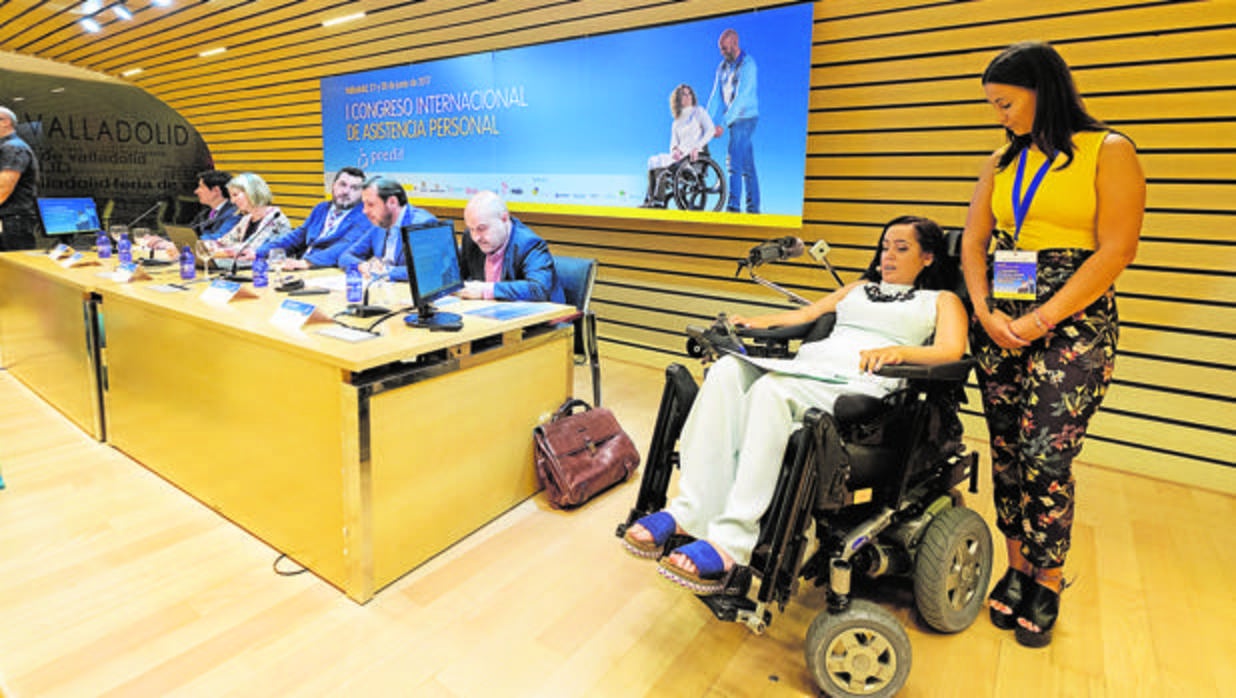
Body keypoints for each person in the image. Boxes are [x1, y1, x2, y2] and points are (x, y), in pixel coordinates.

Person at [622, 216, 967, 594]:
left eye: (902, 249)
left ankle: (732, 543)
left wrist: (899, 352)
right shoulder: (858, 289)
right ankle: (690, 511)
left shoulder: (940, 300)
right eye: (885, 247)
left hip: (862, 385)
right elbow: (803, 317)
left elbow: (950, 351)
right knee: (725, 372)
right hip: (810, 368)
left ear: (929, 258)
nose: (888, 256)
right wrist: (752, 322)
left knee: (771, 391)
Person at [960, 41, 1144, 649]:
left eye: (1006, 103)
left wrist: (1041, 320)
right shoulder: (1000, 159)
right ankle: (1017, 567)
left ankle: (1050, 575)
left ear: (1044, 89)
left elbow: (1115, 251)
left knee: (1046, 450)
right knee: (1008, 448)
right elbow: (973, 242)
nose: (1000, 115)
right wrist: (984, 310)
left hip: (1073, 321)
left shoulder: (1109, 150)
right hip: (1002, 319)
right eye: (994, 105)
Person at [251, 167, 372, 269]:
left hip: (326, 271)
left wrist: (307, 263)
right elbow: (296, 237)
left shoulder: (365, 216)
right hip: (300, 269)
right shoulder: (321, 208)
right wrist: (258, 252)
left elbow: (345, 247)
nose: (346, 191)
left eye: (355, 188)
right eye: (342, 185)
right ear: (334, 186)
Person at [458, 190, 564, 303]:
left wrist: (486, 290)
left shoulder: (529, 244)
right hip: (492, 312)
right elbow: (457, 278)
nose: (476, 237)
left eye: (482, 228)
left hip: (542, 316)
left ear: (504, 219)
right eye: (471, 229)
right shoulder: (470, 238)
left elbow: (538, 289)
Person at [338, 176, 436, 282]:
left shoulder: (422, 224)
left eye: (371, 204)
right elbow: (345, 256)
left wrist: (386, 271)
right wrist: (361, 265)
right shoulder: (379, 224)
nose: (365, 211)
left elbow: (427, 270)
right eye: (364, 205)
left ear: (392, 202)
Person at [705, 28, 759, 214]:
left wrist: (723, 123)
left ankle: (733, 207)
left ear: (735, 45)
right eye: (720, 49)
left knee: (734, 160)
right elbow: (716, 98)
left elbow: (742, 98)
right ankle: (754, 210)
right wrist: (705, 120)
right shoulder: (722, 68)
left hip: (746, 118)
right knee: (747, 165)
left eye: (725, 49)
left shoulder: (748, 65)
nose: (722, 53)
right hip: (733, 118)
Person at [640, 84, 715, 208]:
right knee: (653, 161)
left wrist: (697, 147)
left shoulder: (699, 111)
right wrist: (675, 150)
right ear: (677, 99)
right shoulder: (676, 121)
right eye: (683, 94)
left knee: (664, 167)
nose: (687, 96)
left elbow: (710, 130)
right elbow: (673, 143)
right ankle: (650, 199)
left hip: (695, 156)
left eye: (689, 93)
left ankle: (658, 201)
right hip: (680, 156)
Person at [0, 106, 41, 251]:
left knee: (15, 269)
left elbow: (2, 189)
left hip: (13, 222)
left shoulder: (13, 148)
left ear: (5, 122)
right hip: (11, 221)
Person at [188, 170, 241, 240]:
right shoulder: (206, 213)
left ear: (216, 190)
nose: (196, 191)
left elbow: (220, 238)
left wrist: (188, 240)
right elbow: (189, 231)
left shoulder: (234, 213)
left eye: (201, 187)